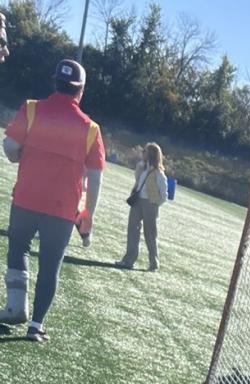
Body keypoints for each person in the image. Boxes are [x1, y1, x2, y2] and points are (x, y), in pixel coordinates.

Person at [0, 58, 105, 343]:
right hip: (62, 209)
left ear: (55, 82)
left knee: (18, 250)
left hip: (25, 198)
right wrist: (87, 215)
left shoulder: (31, 109)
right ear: (80, 90)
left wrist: (17, 155)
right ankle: (35, 325)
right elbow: (96, 178)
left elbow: (10, 145)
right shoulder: (91, 129)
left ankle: (15, 307)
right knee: (50, 265)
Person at [116, 142, 167, 272]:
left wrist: (155, 204)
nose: (142, 153)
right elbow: (137, 180)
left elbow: (164, 194)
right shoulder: (142, 168)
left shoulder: (159, 173)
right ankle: (129, 260)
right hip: (138, 202)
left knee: (150, 234)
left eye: (145, 151)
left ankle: (153, 263)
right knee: (132, 230)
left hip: (150, 204)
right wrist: (140, 167)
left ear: (151, 154)